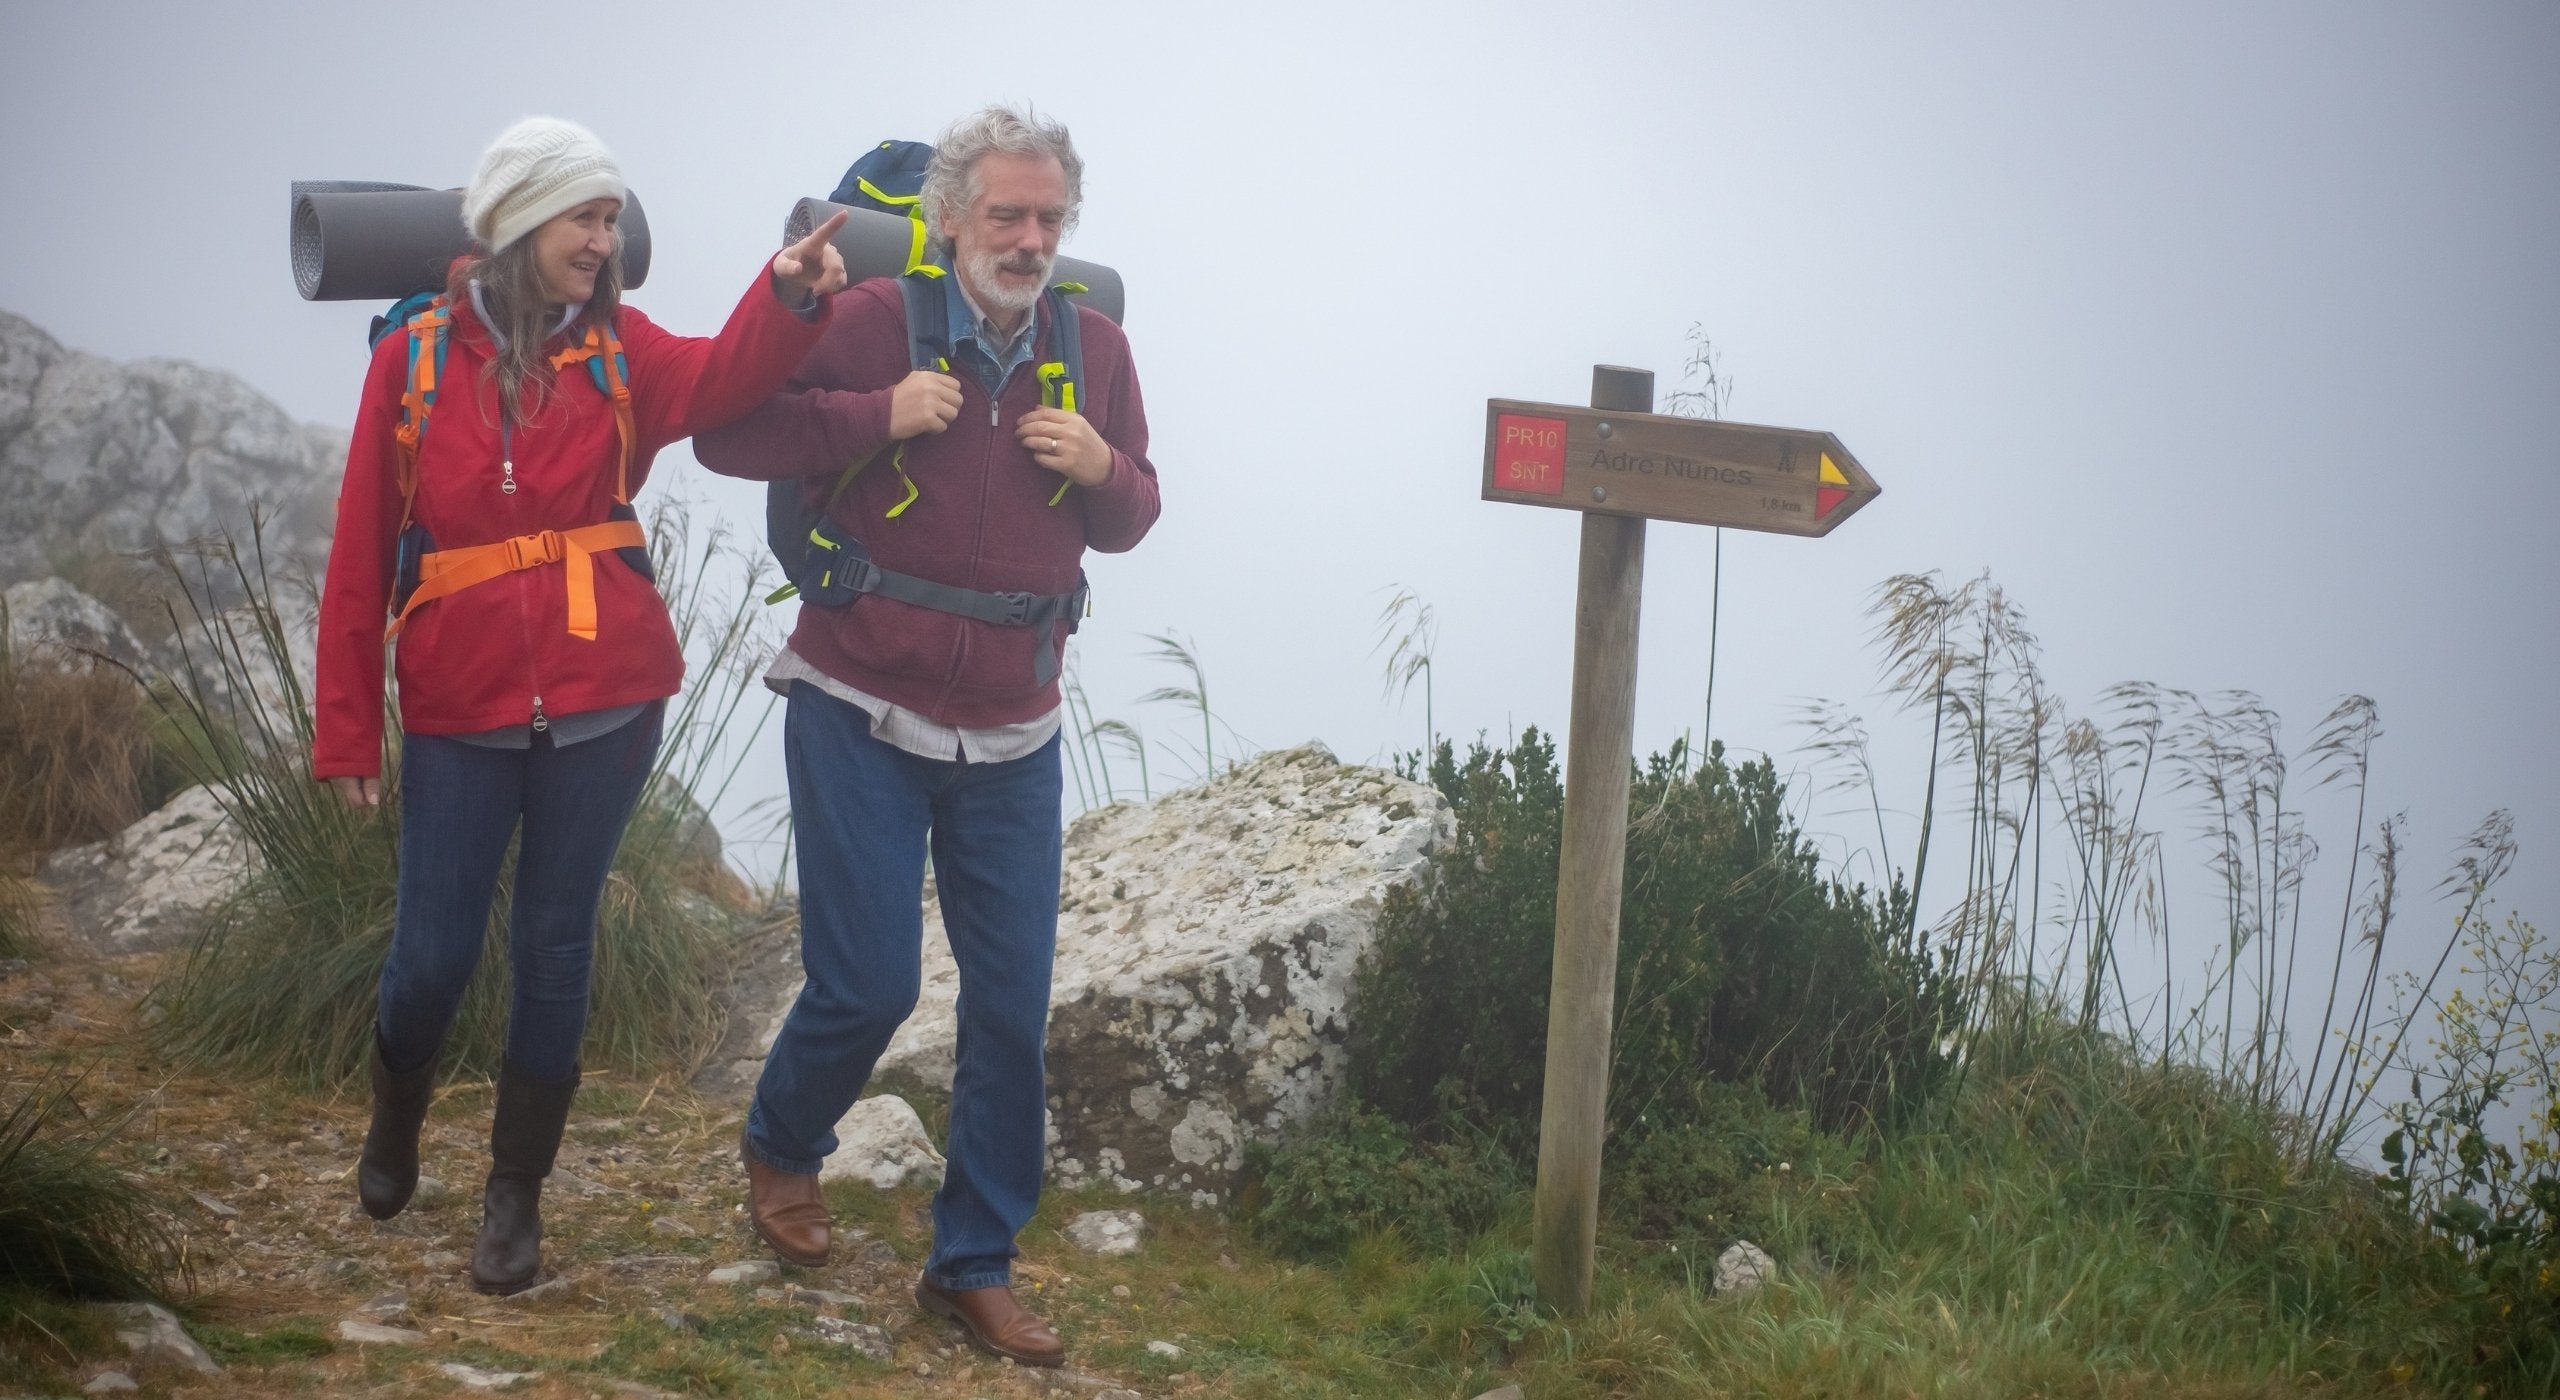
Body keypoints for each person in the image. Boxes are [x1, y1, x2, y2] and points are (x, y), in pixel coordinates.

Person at [310, 116, 847, 1296]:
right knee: (431, 958)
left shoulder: (620, 350)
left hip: (609, 697)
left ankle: (515, 1196)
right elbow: (358, 555)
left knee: (556, 948)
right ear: (516, 224)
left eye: (611, 219)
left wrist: (788, 293)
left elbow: (720, 379)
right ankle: (395, 1106)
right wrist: (345, 726)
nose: (604, 241)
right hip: (459, 700)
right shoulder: (410, 364)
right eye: (584, 218)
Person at [694, 105, 1159, 1367]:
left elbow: (1134, 514)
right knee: (871, 981)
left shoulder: (1094, 347)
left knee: (1008, 1010)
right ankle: (784, 1141)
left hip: (1014, 724)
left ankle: (972, 1264)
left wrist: (1104, 464)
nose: (1028, 239)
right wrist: (875, 415)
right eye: (1006, 215)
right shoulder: (868, 326)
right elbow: (725, 431)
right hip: (858, 698)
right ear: (949, 217)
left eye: (1050, 219)